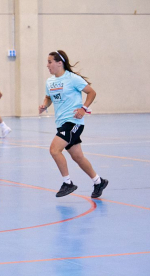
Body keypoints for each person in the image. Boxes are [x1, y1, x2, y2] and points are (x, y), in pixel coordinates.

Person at [39, 50, 108, 198]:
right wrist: (45, 105)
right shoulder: (50, 82)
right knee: (77, 157)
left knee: (54, 150)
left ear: (59, 63)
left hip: (73, 122)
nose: (47, 65)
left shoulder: (72, 79)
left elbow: (92, 92)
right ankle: (98, 181)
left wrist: (83, 109)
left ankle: (67, 183)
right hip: (61, 123)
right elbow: (48, 97)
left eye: (50, 62)